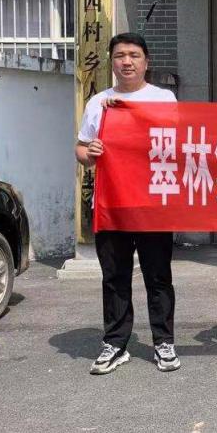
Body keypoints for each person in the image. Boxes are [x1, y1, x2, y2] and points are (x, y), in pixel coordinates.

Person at [75, 32, 179, 375]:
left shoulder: (163, 98)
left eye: (134, 55)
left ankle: (163, 342)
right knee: (115, 276)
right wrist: (90, 153)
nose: (127, 61)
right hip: (112, 203)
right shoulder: (98, 102)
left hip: (152, 203)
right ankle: (116, 343)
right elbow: (81, 148)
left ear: (146, 62)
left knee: (158, 275)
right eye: (120, 55)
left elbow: (177, 142)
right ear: (112, 61)